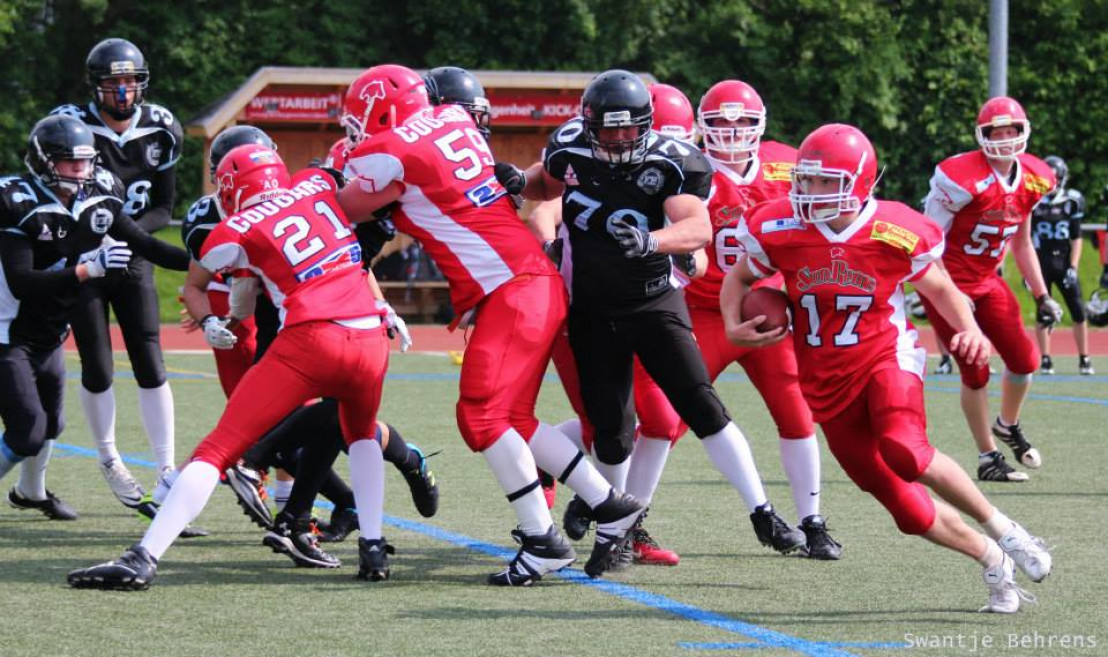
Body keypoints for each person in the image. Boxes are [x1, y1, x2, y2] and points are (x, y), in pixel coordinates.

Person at [722, 122, 1053, 613]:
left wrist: (969, 328)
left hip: (885, 355)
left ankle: (1005, 529)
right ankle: (992, 560)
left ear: (858, 182)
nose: (809, 190)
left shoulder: (893, 229)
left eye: (824, 181)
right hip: (824, 380)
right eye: (805, 178)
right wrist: (733, 324)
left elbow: (940, 287)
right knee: (907, 511)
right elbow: (739, 277)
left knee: (906, 449)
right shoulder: (779, 227)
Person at [336, 64, 645, 584]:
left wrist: (328, 178)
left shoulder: (393, 148)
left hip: (513, 289)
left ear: (380, 111)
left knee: (480, 416)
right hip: (530, 281)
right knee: (513, 418)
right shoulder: (453, 122)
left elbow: (349, 205)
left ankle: (543, 540)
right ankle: (610, 504)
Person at [509, 70, 804, 561]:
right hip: (592, 310)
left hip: (653, 303)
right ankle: (614, 532)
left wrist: (653, 241)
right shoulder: (570, 146)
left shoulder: (673, 161)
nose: (621, 141)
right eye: (610, 131)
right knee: (612, 431)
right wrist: (521, 182)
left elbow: (697, 227)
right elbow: (547, 184)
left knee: (700, 406)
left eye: (630, 130)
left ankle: (763, 513)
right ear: (589, 126)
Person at [69, 143, 394, 589]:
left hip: (313, 337)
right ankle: (373, 548)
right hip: (371, 338)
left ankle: (143, 556)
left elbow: (211, 277)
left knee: (218, 449)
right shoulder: (315, 181)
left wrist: (214, 313)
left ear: (228, 190)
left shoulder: (234, 226)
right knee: (360, 435)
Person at [182, 128, 436, 568]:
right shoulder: (214, 218)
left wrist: (381, 305)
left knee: (332, 416)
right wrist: (213, 319)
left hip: (327, 306)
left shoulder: (311, 191)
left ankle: (299, 497)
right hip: (280, 315)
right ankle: (302, 511)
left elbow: (351, 261)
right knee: (311, 420)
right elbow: (211, 285)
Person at [626, 79, 841, 560]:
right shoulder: (685, 166)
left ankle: (812, 521)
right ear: (702, 125)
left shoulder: (788, 165)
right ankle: (628, 520)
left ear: (760, 123)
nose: (733, 130)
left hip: (765, 307)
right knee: (665, 419)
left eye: (743, 121)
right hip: (701, 310)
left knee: (797, 413)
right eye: (721, 122)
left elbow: (817, 231)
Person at [0, 114, 189, 521]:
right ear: (44, 162)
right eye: (71, 161)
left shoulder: (98, 194)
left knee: (52, 423)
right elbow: (22, 282)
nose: (81, 169)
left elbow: (146, 244)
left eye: (86, 160)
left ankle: (30, 492)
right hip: (6, 332)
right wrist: (89, 270)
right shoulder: (17, 201)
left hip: (49, 331)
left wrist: (207, 264)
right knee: (27, 432)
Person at [50, 38, 184, 516]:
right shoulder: (70, 124)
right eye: (113, 83)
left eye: (130, 81)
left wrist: (126, 236)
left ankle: (166, 467)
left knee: (149, 356)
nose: (123, 92)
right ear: (95, 86)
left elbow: (163, 206)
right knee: (98, 366)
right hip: (83, 255)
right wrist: (94, 235)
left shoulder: (162, 127)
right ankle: (109, 457)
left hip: (133, 251)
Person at [921, 96, 1062, 482]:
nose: (1004, 139)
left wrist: (1041, 295)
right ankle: (988, 456)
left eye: (1010, 130)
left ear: (1023, 131)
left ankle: (1007, 424)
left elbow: (1022, 242)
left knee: (1025, 360)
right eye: (995, 132)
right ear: (982, 135)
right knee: (976, 369)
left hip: (987, 280)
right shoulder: (960, 177)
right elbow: (930, 242)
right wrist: (950, 293)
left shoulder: (1034, 177)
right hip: (946, 282)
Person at [1030, 155, 1093, 375]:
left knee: (1078, 310)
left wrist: (1073, 267)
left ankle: (1084, 358)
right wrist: (1029, 271)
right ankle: (1046, 359)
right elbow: (1026, 240)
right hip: (1041, 262)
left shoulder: (1072, 201)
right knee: (1043, 312)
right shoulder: (1034, 201)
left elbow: (1076, 238)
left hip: (1064, 261)